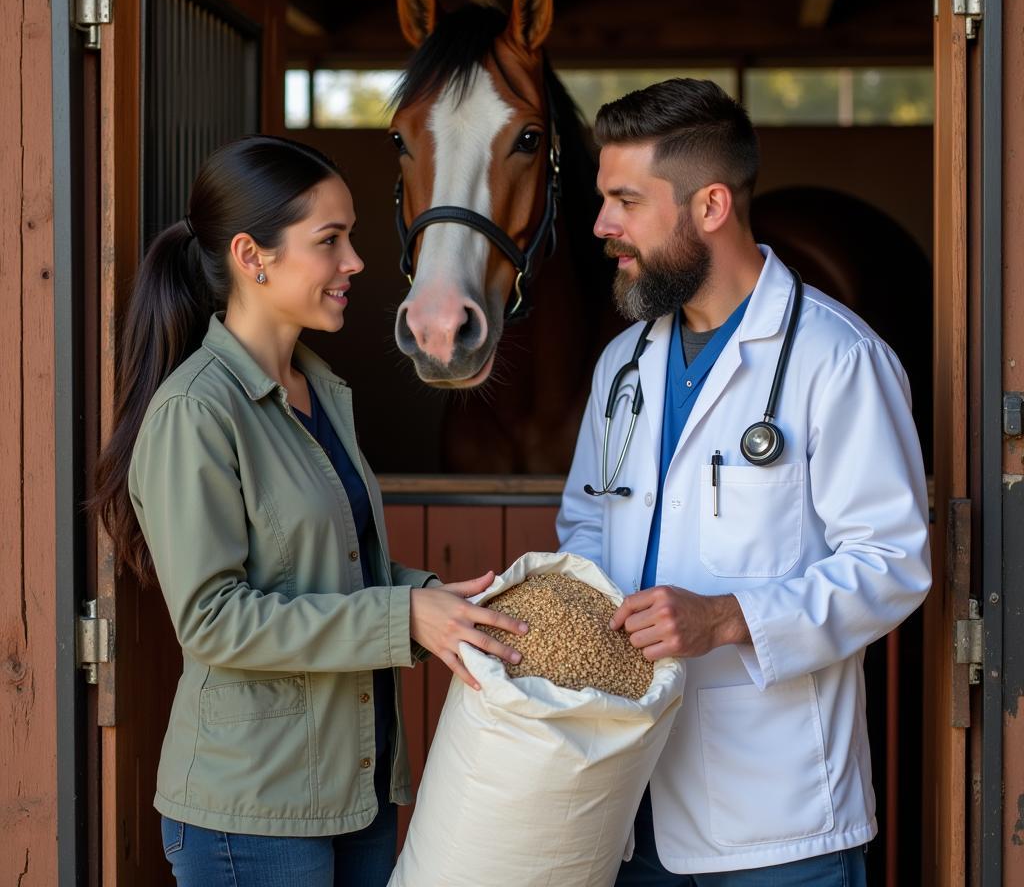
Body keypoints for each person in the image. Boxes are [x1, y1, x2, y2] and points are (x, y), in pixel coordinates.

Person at [92, 135, 528, 887]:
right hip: (250, 814)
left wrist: (425, 598)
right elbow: (214, 620)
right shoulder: (196, 411)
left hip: (355, 794)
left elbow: (334, 561)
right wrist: (402, 619)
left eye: (351, 236)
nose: (356, 261)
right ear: (252, 257)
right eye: (330, 241)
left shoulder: (319, 391)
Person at [556, 79, 931, 885]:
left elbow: (893, 562)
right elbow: (587, 524)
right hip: (624, 802)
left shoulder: (838, 360)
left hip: (779, 823)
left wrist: (729, 619)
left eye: (625, 201)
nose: (601, 227)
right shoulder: (622, 365)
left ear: (711, 206)